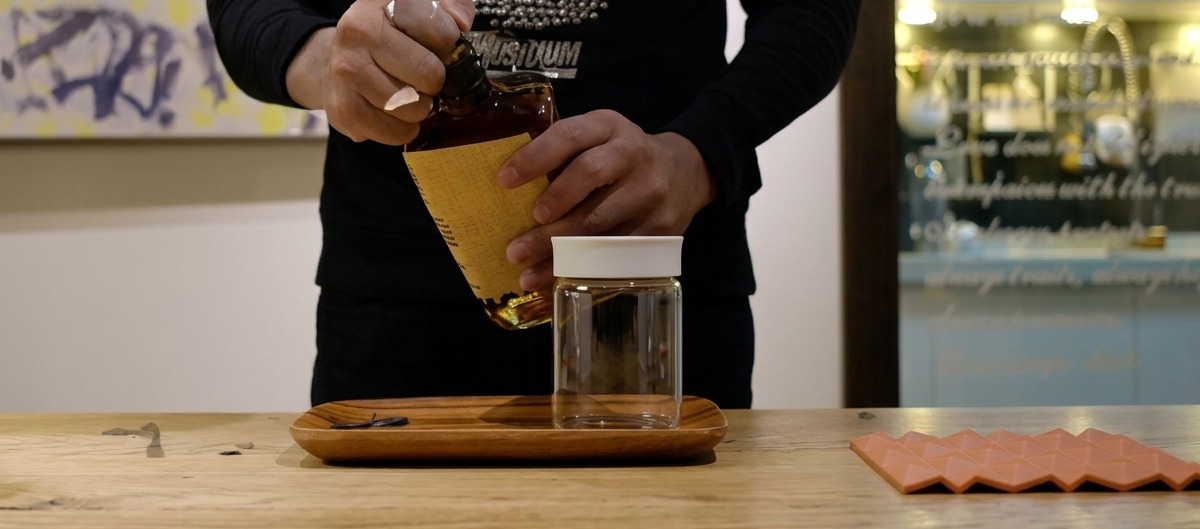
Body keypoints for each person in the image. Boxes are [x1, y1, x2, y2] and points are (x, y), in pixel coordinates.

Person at [206, 0, 861, 409]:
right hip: (400, 294)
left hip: (655, 283)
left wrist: (698, 153)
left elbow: (814, 14)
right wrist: (326, 61)